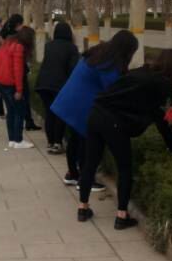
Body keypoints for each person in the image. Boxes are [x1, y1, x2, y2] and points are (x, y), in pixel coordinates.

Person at [78, 48, 172, 228]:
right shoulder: (163, 85)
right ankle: (121, 216)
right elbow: (167, 121)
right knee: (125, 168)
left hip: (95, 113)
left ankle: (83, 208)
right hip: (114, 123)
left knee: (90, 162)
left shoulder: (141, 71)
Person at [51, 29, 138, 189]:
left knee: (74, 140)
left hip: (70, 100)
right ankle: (85, 180)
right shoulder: (109, 63)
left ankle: (73, 174)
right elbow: (113, 89)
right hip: (82, 106)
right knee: (87, 143)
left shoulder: (99, 53)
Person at [35, 21, 80, 153]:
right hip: (58, 85)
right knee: (60, 113)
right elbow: (73, 69)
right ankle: (57, 143)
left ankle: (50, 142)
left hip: (43, 84)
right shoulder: (71, 48)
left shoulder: (48, 45)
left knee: (49, 113)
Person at [0, 26, 36, 150]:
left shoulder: (8, 42)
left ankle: (12, 139)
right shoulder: (19, 47)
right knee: (19, 111)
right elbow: (18, 70)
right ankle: (18, 140)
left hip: (0, 80)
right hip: (10, 82)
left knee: (11, 111)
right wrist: (19, 90)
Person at [0, 12, 41, 132]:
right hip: (16, 71)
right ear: (18, 24)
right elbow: (18, 65)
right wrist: (19, 88)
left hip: (6, 72)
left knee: (13, 104)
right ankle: (21, 129)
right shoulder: (17, 38)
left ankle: (22, 124)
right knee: (22, 99)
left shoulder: (5, 35)